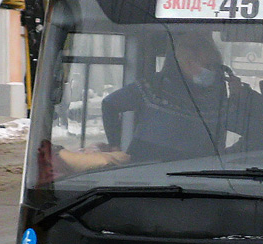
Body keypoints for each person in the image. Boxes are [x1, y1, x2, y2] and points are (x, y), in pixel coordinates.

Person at [98, 28, 248, 163]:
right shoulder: (154, 86)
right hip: (145, 172)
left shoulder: (216, 96)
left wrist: (237, 97)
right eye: (206, 66)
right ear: (185, 62)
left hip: (199, 176)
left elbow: (241, 127)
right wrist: (115, 148)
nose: (211, 71)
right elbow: (109, 104)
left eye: (214, 66)